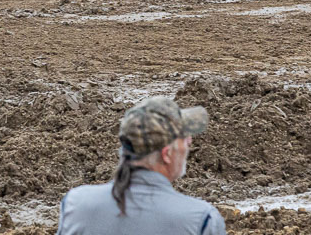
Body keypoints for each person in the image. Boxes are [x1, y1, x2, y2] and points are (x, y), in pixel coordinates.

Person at [57, 95, 224, 235]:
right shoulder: (201, 220)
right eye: (184, 137)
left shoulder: (76, 205)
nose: (190, 141)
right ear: (166, 154)